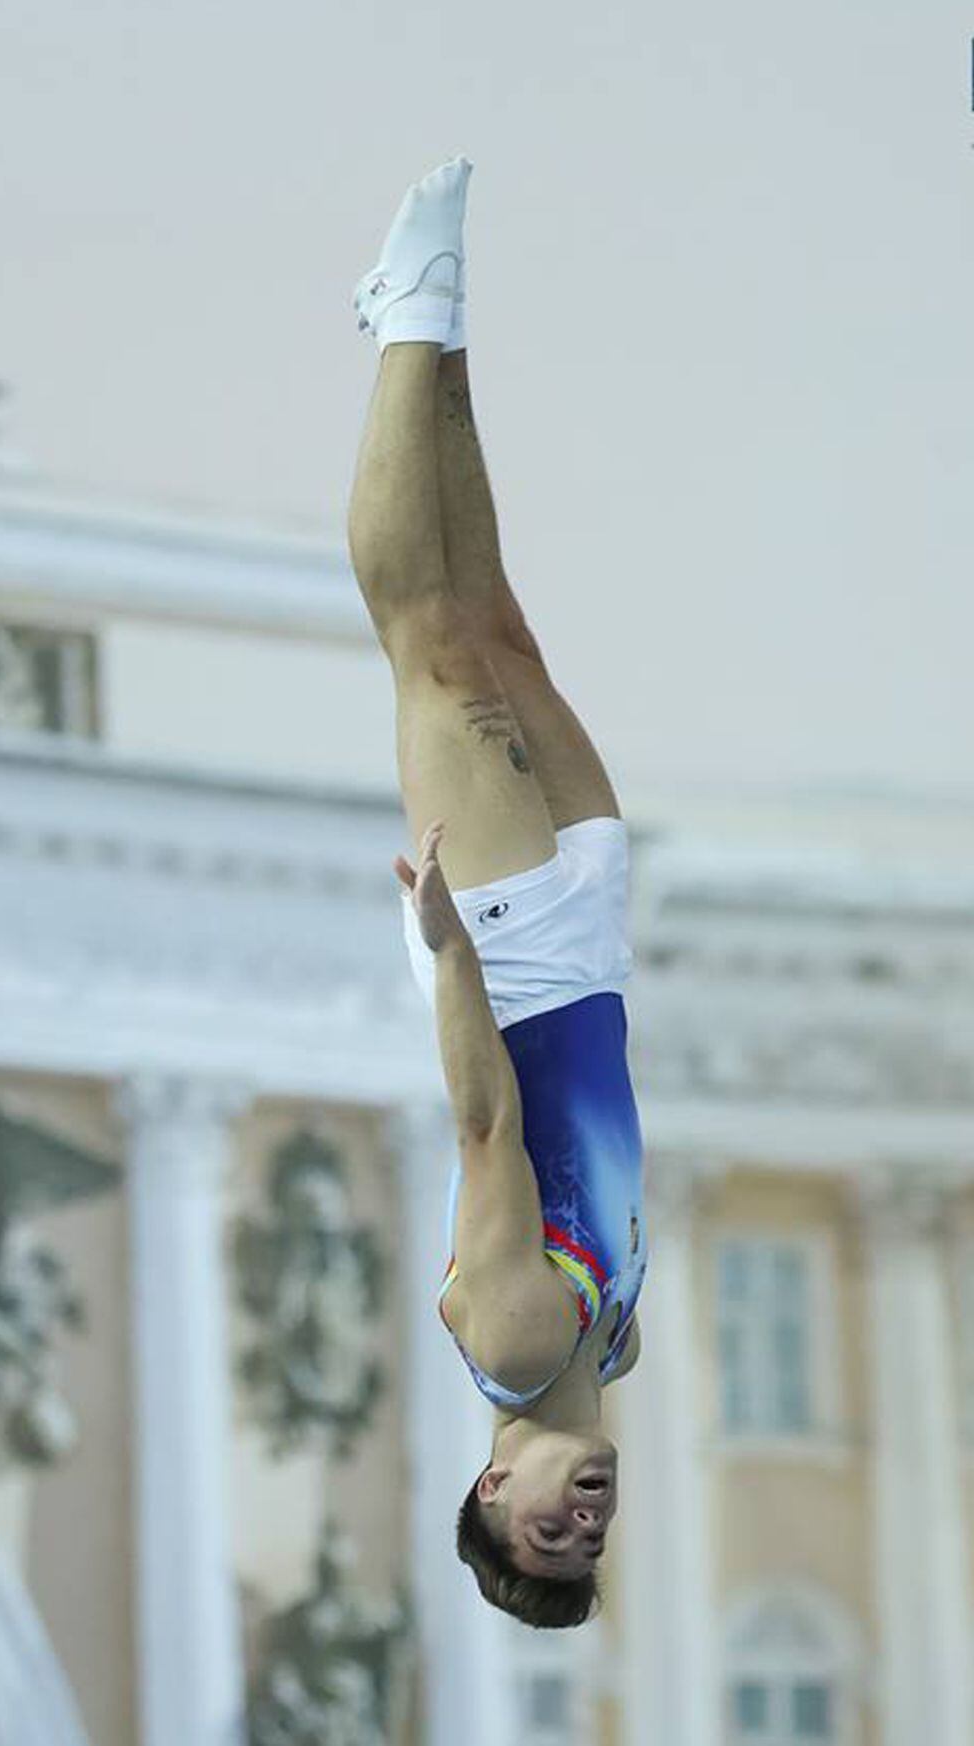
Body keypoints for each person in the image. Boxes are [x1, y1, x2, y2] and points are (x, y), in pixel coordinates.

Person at [348, 158, 648, 1629]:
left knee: (429, 644)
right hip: (589, 942)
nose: (580, 1520)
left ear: (488, 1493)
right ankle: (441, 341)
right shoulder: (606, 1341)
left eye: (544, 1532)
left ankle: (412, 317)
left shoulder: (527, 1334)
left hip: (515, 953)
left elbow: (486, 1125)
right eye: (590, 1542)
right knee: (501, 627)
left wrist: (446, 953)